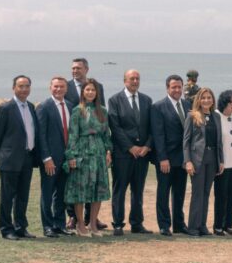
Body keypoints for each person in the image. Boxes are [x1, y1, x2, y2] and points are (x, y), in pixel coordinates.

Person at [0, 75, 41, 240]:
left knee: (22, 196)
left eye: (27, 86)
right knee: (7, 197)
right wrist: (4, 155)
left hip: (27, 158)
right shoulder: (5, 108)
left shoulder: (31, 107)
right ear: (14, 88)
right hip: (10, 160)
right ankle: (6, 229)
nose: (24, 89)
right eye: (21, 86)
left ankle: (20, 227)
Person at [64, 80, 112, 236]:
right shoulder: (77, 111)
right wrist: (71, 155)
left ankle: (93, 224)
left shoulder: (103, 111)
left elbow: (106, 134)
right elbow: (73, 135)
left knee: (98, 189)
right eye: (87, 90)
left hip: (98, 152)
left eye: (93, 90)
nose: (90, 92)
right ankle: (80, 225)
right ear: (83, 92)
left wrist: (108, 151)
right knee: (81, 190)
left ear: (97, 93)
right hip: (82, 152)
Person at [108, 70, 153, 236]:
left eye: (137, 78)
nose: (135, 81)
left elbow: (152, 127)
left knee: (138, 190)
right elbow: (115, 127)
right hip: (122, 154)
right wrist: (129, 147)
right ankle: (118, 224)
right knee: (119, 190)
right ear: (124, 80)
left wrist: (147, 146)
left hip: (142, 154)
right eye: (132, 78)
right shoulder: (115, 100)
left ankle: (136, 223)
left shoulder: (147, 100)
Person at [150, 74, 191, 237]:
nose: (177, 90)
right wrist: (162, 158)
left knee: (180, 193)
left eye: (179, 87)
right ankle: (164, 225)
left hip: (183, 159)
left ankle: (179, 225)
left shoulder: (188, 104)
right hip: (166, 159)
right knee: (163, 193)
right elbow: (158, 135)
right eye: (173, 87)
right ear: (167, 88)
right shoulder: (158, 106)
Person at [36, 76, 74, 237]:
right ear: (50, 88)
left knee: (61, 194)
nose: (58, 89)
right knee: (47, 193)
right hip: (50, 160)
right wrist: (46, 158)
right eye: (55, 87)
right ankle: (48, 226)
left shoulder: (71, 106)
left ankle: (59, 224)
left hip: (66, 160)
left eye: (62, 87)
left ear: (66, 89)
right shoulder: (44, 107)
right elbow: (40, 136)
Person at [183, 88, 224, 236]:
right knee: (197, 193)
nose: (206, 100)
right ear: (199, 100)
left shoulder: (216, 117)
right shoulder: (192, 116)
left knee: (206, 193)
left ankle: (202, 226)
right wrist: (187, 161)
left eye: (209, 97)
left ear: (213, 100)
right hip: (197, 160)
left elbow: (219, 141)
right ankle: (193, 227)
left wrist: (221, 160)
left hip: (212, 158)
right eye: (203, 98)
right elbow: (186, 141)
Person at [213, 90, 232, 235]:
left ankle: (228, 225)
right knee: (221, 195)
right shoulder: (216, 116)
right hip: (222, 163)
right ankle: (218, 226)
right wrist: (219, 161)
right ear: (224, 102)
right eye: (231, 103)